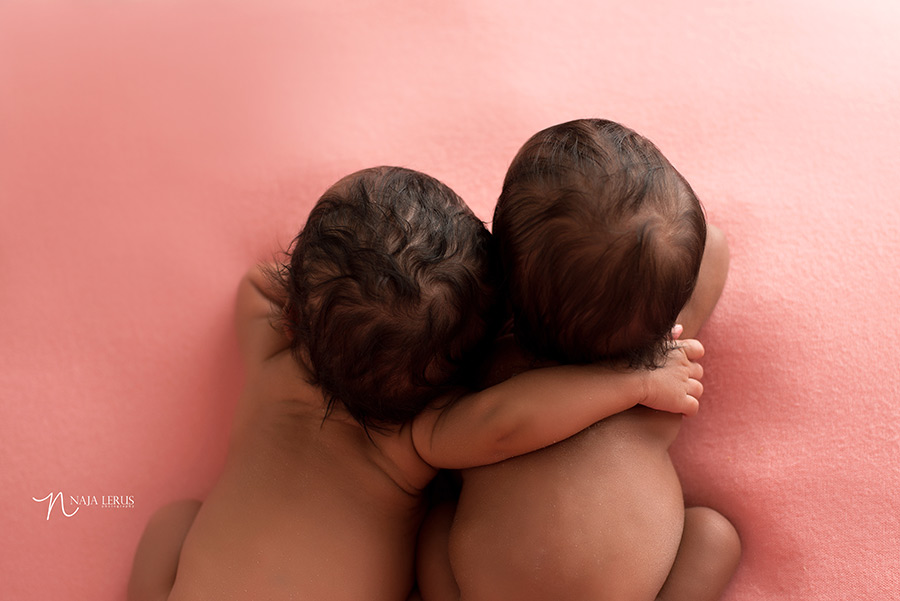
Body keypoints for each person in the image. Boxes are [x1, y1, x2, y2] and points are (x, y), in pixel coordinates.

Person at [127, 165, 706, 601]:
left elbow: (259, 283)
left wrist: (326, 302)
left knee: (173, 522)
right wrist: (633, 383)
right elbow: (510, 422)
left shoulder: (271, 358)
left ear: (293, 319)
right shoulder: (418, 435)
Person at [416, 119, 740, 601]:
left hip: (492, 589)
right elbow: (712, 245)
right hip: (627, 590)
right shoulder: (661, 365)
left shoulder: (493, 366)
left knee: (436, 518)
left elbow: (440, 440)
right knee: (715, 536)